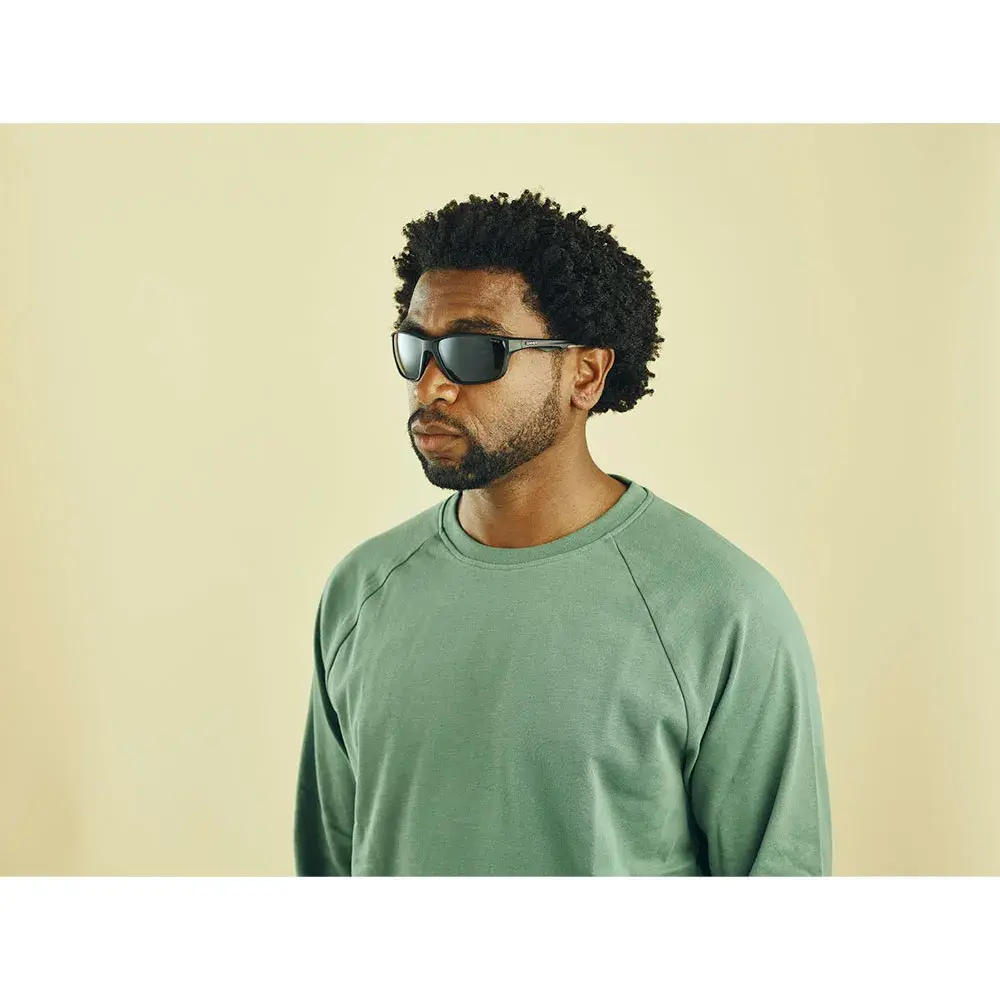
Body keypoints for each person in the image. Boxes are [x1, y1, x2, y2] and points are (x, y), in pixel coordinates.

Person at [294, 190, 832, 876]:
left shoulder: (722, 610)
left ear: (586, 374)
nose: (430, 387)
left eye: (474, 351)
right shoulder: (360, 592)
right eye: (414, 349)